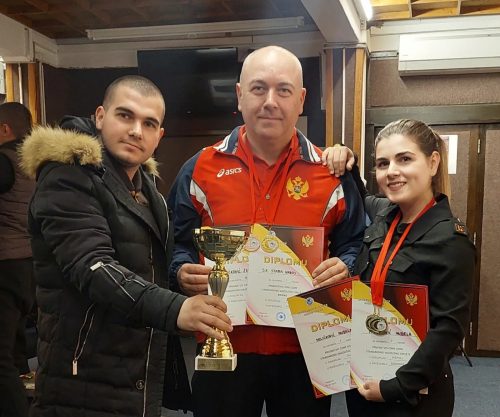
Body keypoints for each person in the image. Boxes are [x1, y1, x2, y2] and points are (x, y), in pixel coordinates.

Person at [168, 46, 365, 417]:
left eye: (283, 90)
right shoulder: (199, 168)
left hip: (305, 350)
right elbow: (177, 242)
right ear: (240, 95)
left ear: (301, 99)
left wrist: (346, 266)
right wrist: (180, 271)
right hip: (222, 344)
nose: (270, 101)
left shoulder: (332, 173)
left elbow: (355, 241)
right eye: (258, 88)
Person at [18, 75, 233, 417]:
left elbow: (142, 267)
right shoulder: (67, 176)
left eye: (149, 123)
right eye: (125, 116)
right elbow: (93, 267)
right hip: (81, 379)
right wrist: (176, 308)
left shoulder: (148, 190)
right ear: (100, 116)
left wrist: (178, 278)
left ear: (159, 135)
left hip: (134, 373)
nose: (136, 131)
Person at [322, 119, 475, 417]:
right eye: (383, 163)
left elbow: (448, 330)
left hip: (412, 395)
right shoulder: (384, 215)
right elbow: (357, 196)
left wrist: (396, 387)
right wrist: (345, 157)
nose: (391, 171)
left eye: (404, 159)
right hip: (366, 382)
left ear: (433, 163)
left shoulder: (451, 240)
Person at [0, 102, 35, 417]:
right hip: (29, 266)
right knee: (16, 352)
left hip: (5, 266)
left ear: (4, 129)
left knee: (2, 359)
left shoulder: (3, 160)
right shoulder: (36, 163)